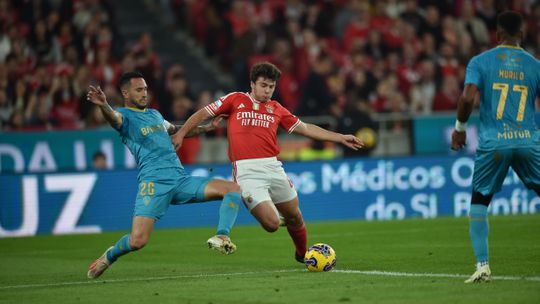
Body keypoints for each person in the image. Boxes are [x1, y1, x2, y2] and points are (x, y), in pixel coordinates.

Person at [172, 62, 363, 263]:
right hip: (247, 172)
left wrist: (340, 137)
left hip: (273, 167)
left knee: (295, 217)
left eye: (271, 87)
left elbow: (305, 128)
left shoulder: (276, 108)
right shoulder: (235, 99)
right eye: (263, 85)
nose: (267, 91)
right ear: (252, 84)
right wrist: (182, 133)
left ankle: (302, 255)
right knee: (272, 225)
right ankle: (257, 205)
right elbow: (204, 113)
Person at [86, 72, 242, 279]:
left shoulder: (155, 115)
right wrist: (104, 105)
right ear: (125, 92)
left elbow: (176, 130)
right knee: (138, 241)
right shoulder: (124, 117)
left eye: (146, 89)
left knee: (232, 189)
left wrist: (207, 128)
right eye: (139, 90)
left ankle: (222, 235)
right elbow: (113, 119)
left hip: (180, 180)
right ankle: (110, 255)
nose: (144, 94)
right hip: (154, 183)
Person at [451, 11, 540, 283]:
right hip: (528, 140)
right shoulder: (535, 65)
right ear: (521, 35)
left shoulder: (480, 62)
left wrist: (460, 129)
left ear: (497, 34)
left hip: (494, 142)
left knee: (480, 201)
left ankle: (483, 265)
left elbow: (467, 98)